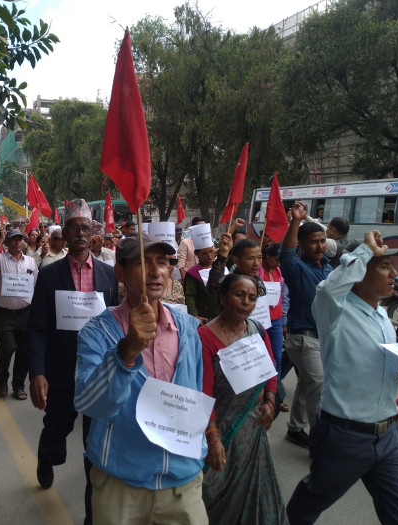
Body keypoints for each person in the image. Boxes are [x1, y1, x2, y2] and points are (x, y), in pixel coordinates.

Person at [287, 231, 398, 525]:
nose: (394, 274)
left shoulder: (382, 316)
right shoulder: (335, 312)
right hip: (345, 436)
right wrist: (364, 252)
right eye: (384, 266)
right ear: (358, 274)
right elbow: (327, 290)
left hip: (387, 435)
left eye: (392, 267)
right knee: (310, 502)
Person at [74, 233, 207, 524]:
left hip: (183, 483)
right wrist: (127, 351)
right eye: (143, 263)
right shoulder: (96, 332)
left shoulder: (187, 328)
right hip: (121, 485)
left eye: (162, 262)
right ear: (120, 273)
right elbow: (89, 403)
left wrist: (203, 445)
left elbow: (195, 393)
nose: (155, 271)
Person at [28, 199, 119, 524]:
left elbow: (115, 324)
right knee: (56, 429)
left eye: (85, 228)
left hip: (98, 376)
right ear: (64, 234)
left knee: (94, 447)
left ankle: (91, 517)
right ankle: (46, 457)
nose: (80, 234)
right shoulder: (49, 275)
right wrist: (37, 373)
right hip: (60, 373)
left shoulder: (109, 276)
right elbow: (37, 328)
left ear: (93, 232)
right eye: (73, 228)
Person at [199, 273, 285, 524]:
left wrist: (270, 401)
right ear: (222, 298)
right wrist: (213, 437)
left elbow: (270, 369)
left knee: (257, 492)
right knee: (220, 492)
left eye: (252, 297)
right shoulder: (205, 337)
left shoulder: (256, 330)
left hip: (252, 426)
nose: (246, 302)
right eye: (239, 295)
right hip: (223, 428)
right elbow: (204, 392)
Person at [279, 202, 332, 448]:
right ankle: (322, 443)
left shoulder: (329, 267)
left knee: (306, 384)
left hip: (325, 338)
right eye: (313, 242)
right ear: (301, 244)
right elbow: (286, 253)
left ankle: (295, 428)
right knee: (319, 386)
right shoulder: (295, 267)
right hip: (303, 338)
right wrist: (295, 221)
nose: (320, 246)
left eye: (322, 241)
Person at [0, 228, 38, 400]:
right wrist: (0, 239)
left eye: (20, 239)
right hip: (4, 314)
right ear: (7, 242)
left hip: (26, 313)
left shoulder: (30, 262)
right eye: (14, 239)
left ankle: (19, 386)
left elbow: (35, 285)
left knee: (24, 351)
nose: (18, 242)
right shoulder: (1, 259)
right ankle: (2, 379)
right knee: (8, 347)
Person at [259, 242, 290, 414]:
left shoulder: (278, 272)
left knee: (276, 357)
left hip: (276, 320)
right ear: (267, 256)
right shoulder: (258, 272)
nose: (279, 263)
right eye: (276, 259)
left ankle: (275, 393)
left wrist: (283, 320)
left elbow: (284, 297)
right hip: (260, 320)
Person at [185, 223, 219, 324]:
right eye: (204, 253)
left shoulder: (219, 268)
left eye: (211, 252)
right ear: (196, 254)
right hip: (204, 318)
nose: (209, 256)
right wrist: (195, 316)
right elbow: (190, 296)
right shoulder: (193, 273)